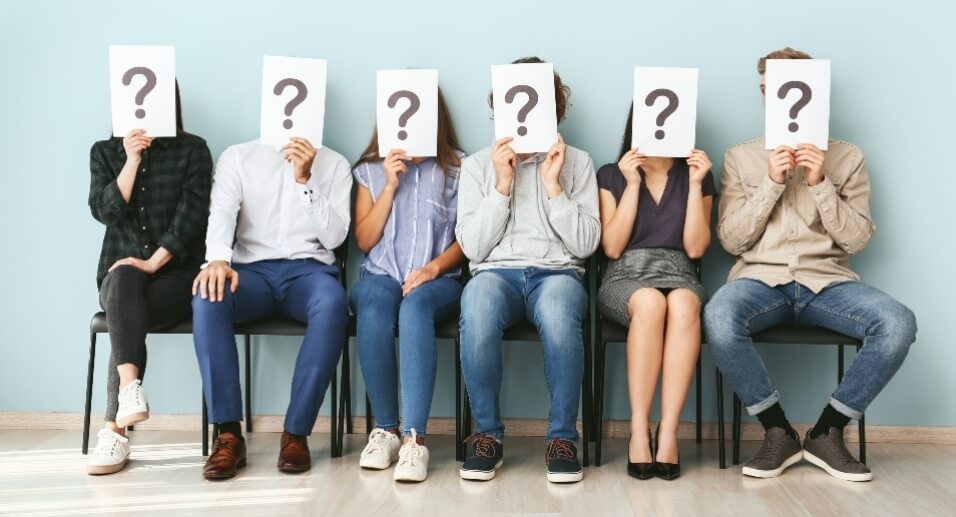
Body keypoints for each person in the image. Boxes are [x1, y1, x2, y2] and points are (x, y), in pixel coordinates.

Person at [703, 47, 917, 482]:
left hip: (829, 283)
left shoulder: (848, 157)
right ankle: (776, 430)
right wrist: (770, 182)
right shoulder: (740, 157)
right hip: (761, 281)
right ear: (764, 93)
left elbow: (855, 239)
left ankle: (828, 431)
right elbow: (731, 240)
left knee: (897, 322)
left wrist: (821, 184)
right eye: (769, 89)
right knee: (718, 316)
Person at [456, 57, 601, 484]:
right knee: (477, 305)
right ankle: (486, 435)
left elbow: (586, 244)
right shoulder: (478, 165)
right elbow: (472, 246)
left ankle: (562, 438)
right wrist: (502, 184)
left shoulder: (578, 163)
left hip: (557, 275)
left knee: (559, 313)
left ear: (553, 110)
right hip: (494, 274)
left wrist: (554, 186)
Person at [191, 131, 352, 480]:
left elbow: (335, 239)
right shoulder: (238, 156)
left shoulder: (335, 164)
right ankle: (228, 433)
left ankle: (296, 433)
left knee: (333, 303)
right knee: (207, 295)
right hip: (251, 273)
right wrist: (217, 259)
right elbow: (221, 213)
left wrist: (305, 180)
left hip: (309, 273)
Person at [87, 84, 212, 475]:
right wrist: (130, 159)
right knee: (124, 280)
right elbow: (104, 211)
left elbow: (193, 216)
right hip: (118, 276)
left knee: (127, 315)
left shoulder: (193, 150)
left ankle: (113, 431)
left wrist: (154, 262)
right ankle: (130, 392)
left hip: (175, 275)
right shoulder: (104, 152)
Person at [350, 89, 466, 482]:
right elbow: (364, 240)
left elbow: (466, 241)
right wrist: (389, 185)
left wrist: (433, 269)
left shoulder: (456, 168)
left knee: (414, 307)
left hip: (438, 280)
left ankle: (414, 439)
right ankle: (386, 430)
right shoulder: (368, 169)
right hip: (382, 275)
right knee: (372, 304)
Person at [596, 105, 715, 480]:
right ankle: (638, 428)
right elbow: (612, 248)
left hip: (680, 272)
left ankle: (668, 431)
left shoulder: (697, 175)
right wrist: (632, 184)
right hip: (624, 276)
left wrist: (696, 186)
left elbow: (695, 249)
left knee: (680, 302)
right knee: (650, 301)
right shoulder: (612, 174)